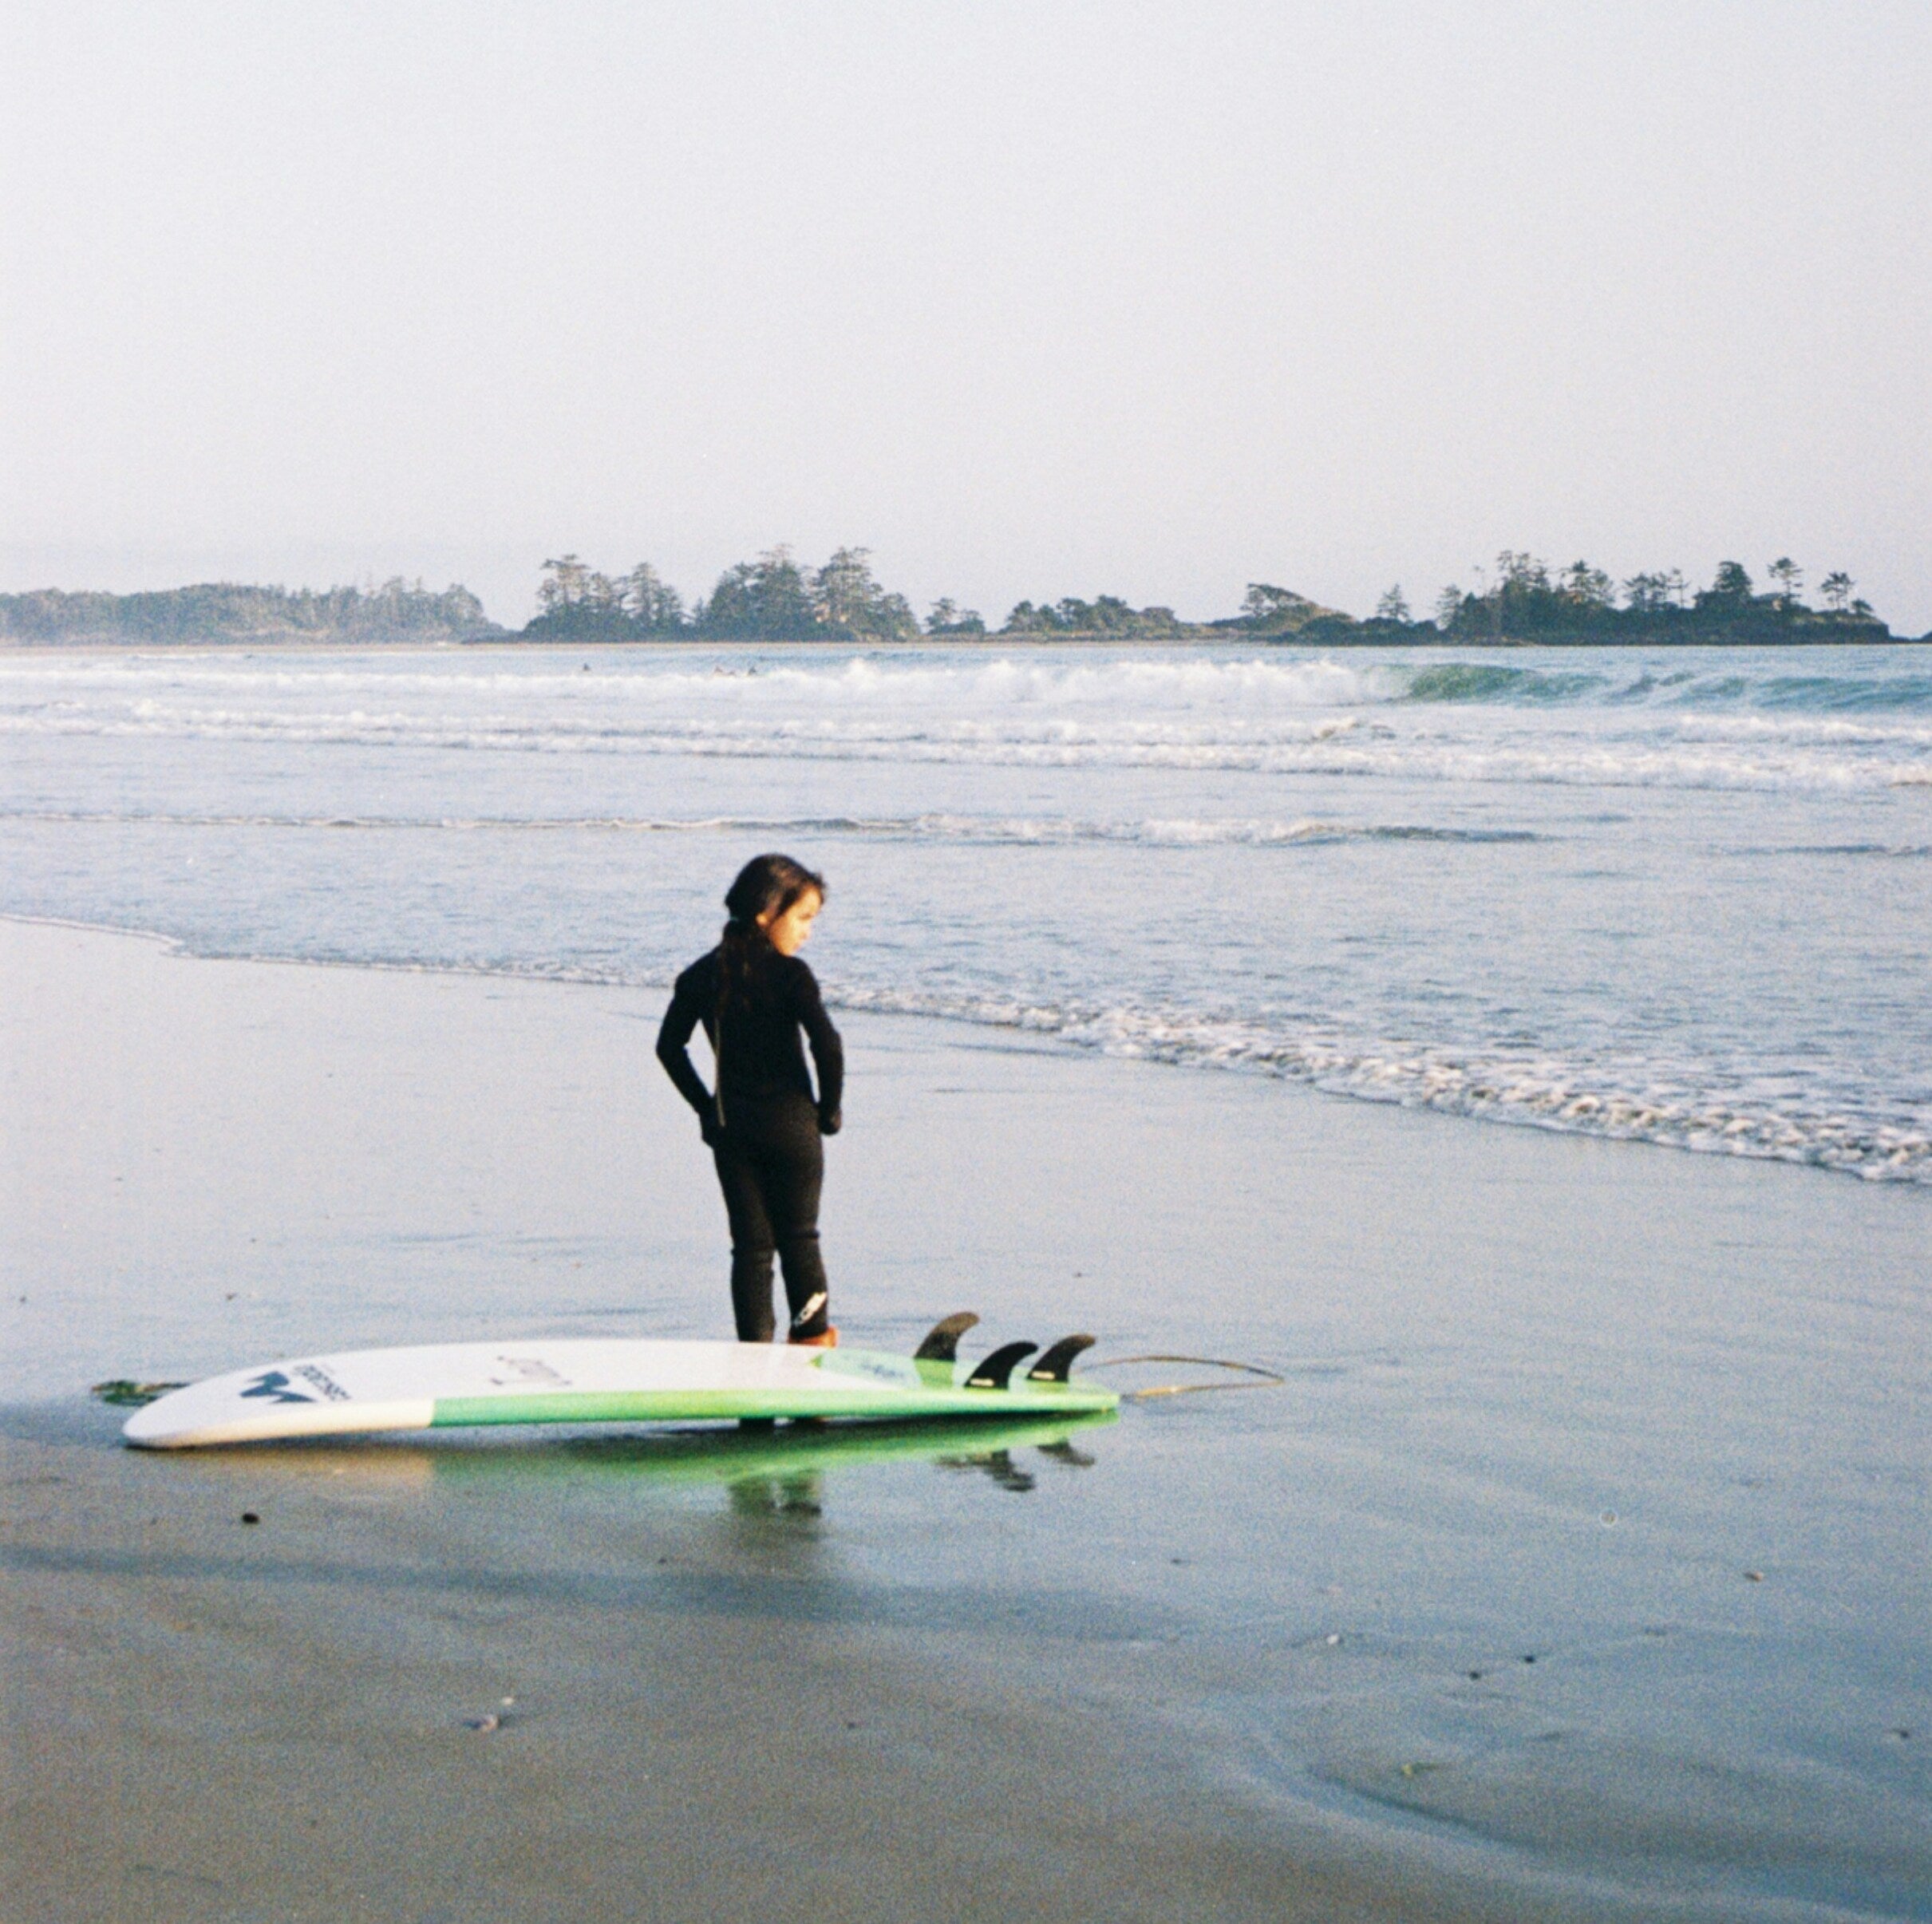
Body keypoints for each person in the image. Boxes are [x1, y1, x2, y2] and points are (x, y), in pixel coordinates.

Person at [656, 854, 844, 1347]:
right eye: (802, 918)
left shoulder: (701, 975)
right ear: (767, 912)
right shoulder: (792, 976)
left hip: (732, 1129)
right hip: (792, 1128)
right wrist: (830, 1109)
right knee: (799, 1239)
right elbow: (828, 1044)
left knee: (752, 1250)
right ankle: (811, 1345)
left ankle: (755, 1358)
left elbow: (668, 1048)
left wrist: (704, 1107)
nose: (807, 933)